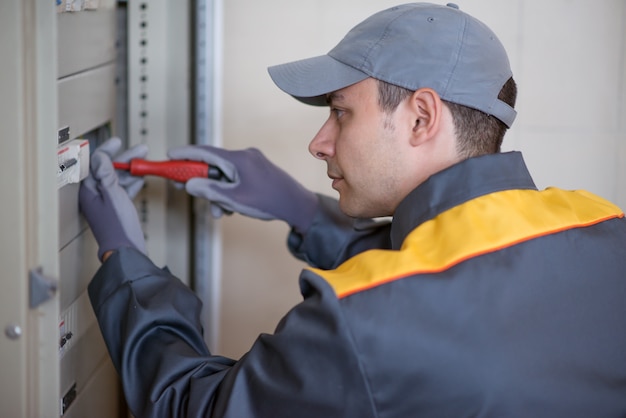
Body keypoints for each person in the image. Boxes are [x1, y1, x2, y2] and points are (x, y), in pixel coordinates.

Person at [79, 3, 626, 417]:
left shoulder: (358, 323)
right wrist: (299, 209)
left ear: (421, 118)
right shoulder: (604, 227)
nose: (319, 143)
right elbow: (448, 280)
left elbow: (193, 405)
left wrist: (125, 264)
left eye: (341, 113)